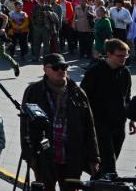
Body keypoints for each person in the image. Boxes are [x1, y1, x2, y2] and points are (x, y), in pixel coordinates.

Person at [21, 53, 100, 190]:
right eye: (56, 67)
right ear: (45, 69)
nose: (61, 71)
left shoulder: (78, 93)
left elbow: (89, 126)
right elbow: (25, 126)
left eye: (64, 67)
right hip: (45, 158)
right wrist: (29, 155)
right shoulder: (34, 91)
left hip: (71, 158)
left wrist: (94, 158)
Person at [80, 39, 133, 176]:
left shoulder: (125, 73)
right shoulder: (95, 72)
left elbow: (126, 98)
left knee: (109, 162)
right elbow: (82, 98)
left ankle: (96, 184)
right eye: (120, 56)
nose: (124, 59)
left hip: (119, 124)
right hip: (100, 124)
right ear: (109, 54)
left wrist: (132, 118)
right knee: (109, 166)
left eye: (126, 55)